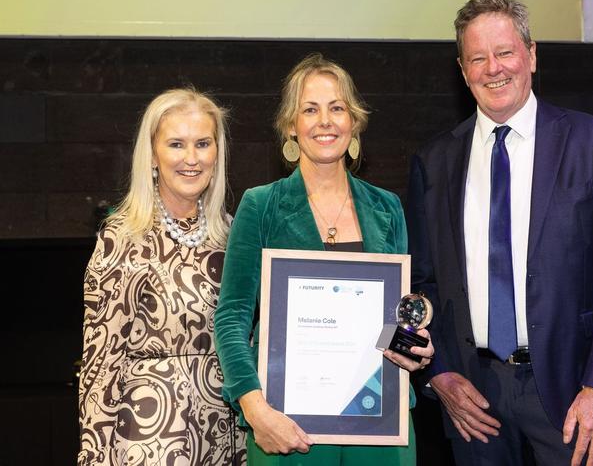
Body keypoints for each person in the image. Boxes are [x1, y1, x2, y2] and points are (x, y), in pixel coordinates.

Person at [407, 0, 593, 466]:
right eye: (478, 57)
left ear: (532, 56)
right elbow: (419, 284)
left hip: (573, 394)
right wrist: (438, 374)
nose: (493, 68)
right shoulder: (433, 161)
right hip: (473, 399)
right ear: (462, 69)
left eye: (505, 52)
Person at [214, 52, 433, 465]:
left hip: (380, 422)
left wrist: (411, 346)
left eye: (337, 108)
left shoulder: (387, 208)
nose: (325, 121)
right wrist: (254, 408)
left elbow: (393, 318)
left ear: (354, 122)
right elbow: (232, 316)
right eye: (309, 110)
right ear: (291, 127)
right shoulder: (261, 205)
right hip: (286, 428)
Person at [78, 88, 246, 466]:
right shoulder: (121, 238)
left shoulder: (234, 236)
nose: (191, 158)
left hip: (226, 439)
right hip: (151, 440)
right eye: (176, 144)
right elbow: (99, 369)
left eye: (203, 143)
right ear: (153, 155)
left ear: (217, 154)